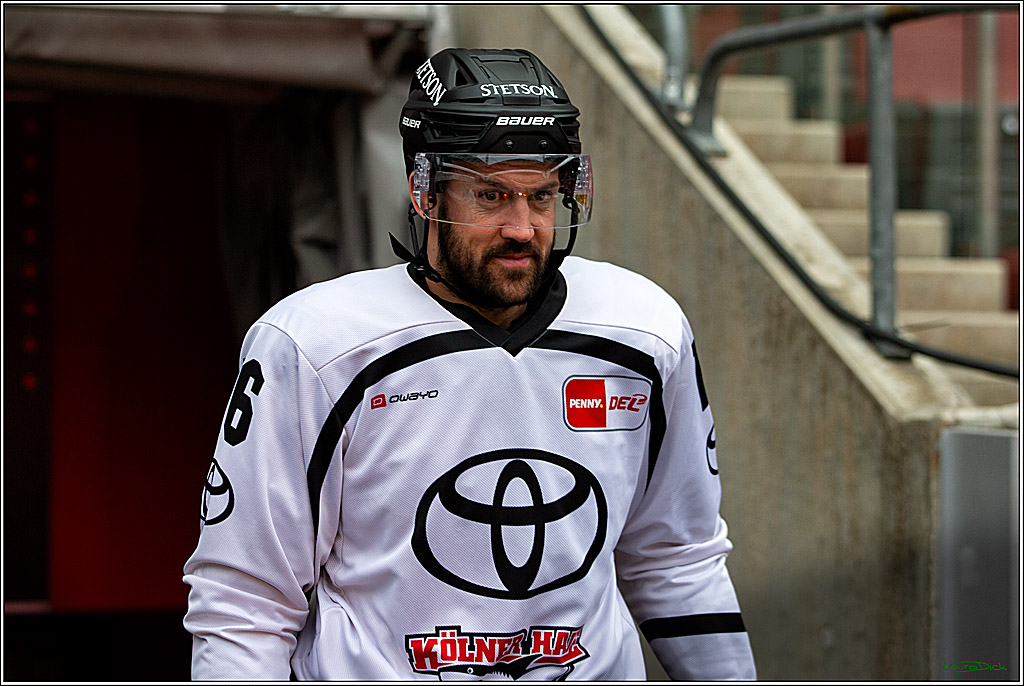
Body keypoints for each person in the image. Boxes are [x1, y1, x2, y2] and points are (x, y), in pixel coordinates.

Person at [183, 47, 756, 681]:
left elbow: (677, 559)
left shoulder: (644, 329)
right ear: (422, 192)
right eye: (490, 195)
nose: (521, 226)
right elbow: (246, 601)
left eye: (541, 197)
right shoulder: (312, 345)